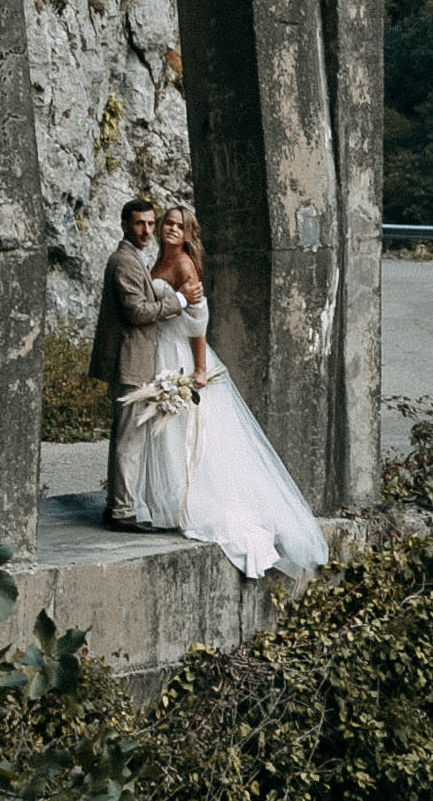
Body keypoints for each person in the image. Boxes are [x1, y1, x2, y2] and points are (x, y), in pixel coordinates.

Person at [135, 205, 329, 583]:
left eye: (180, 225)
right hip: (159, 349)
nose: (172, 229)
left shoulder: (185, 267)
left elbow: (197, 321)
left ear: (189, 232)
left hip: (180, 354)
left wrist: (200, 369)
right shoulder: (160, 260)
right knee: (164, 434)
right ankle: (161, 503)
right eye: (168, 224)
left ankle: (186, 505)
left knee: (188, 434)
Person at [89, 196, 189, 528]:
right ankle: (121, 511)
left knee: (128, 436)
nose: (147, 230)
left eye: (150, 223)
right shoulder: (124, 262)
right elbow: (137, 312)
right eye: (139, 224)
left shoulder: (136, 258)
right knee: (129, 438)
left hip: (135, 358)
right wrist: (178, 302)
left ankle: (118, 504)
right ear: (125, 225)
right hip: (129, 360)